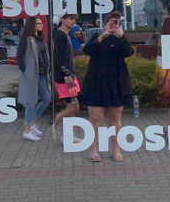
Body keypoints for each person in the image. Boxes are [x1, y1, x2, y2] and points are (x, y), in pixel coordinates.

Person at [82, 11, 134, 162]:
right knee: (95, 118)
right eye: (110, 23)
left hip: (116, 83)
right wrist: (102, 36)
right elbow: (87, 50)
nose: (112, 26)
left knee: (115, 118)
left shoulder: (120, 40)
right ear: (104, 24)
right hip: (96, 82)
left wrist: (121, 36)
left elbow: (129, 52)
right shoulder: (96, 38)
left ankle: (116, 150)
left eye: (116, 24)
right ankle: (93, 150)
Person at [17, 17, 52, 141]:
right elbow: (19, 56)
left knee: (47, 97)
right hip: (31, 74)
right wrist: (25, 71)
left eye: (41, 23)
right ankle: (27, 130)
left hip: (42, 73)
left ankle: (33, 122)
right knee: (31, 101)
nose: (42, 25)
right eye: (39, 23)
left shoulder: (41, 39)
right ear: (32, 25)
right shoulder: (25, 39)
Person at [53, 13, 81, 143]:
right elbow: (59, 58)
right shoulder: (61, 36)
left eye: (74, 19)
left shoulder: (64, 35)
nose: (73, 21)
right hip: (65, 78)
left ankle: (67, 135)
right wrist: (67, 75)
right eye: (70, 19)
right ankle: (54, 124)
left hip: (68, 76)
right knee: (73, 107)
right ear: (62, 20)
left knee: (72, 107)